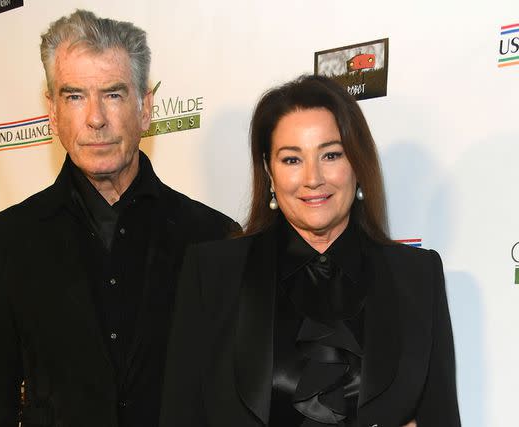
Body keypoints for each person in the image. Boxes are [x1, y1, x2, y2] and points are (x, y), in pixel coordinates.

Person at [0, 9, 237, 427]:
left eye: (113, 94)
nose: (95, 118)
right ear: (53, 112)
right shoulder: (8, 239)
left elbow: (227, 397)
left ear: (145, 108)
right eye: (75, 96)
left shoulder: (212, 236)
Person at [160, 75, 460, 427]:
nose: (313, 178)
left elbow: (441, 417)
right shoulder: (211, 274)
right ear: (270, 173)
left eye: (331, 154)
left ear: (357, 166)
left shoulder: (417, 275)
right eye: (292, 160)